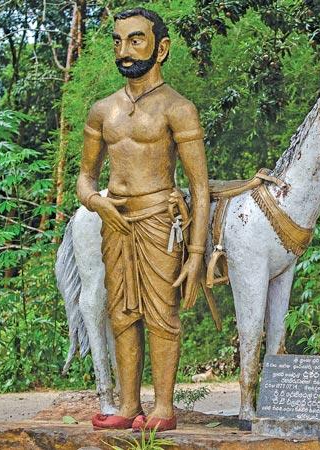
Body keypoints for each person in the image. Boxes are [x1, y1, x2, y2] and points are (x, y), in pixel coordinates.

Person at [75, 7, 208, 432]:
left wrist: (196, 254)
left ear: (161, 48)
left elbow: (200, 188)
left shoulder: (178, 109)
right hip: (115, 222)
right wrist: (97, 203)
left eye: (136, 40)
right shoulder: (103, 111)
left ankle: (163, 407)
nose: (125, 50)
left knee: (161, 313)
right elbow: (84, 179)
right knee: (121, 313)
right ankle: (129, 403)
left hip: (158, 221)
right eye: (117, 41)